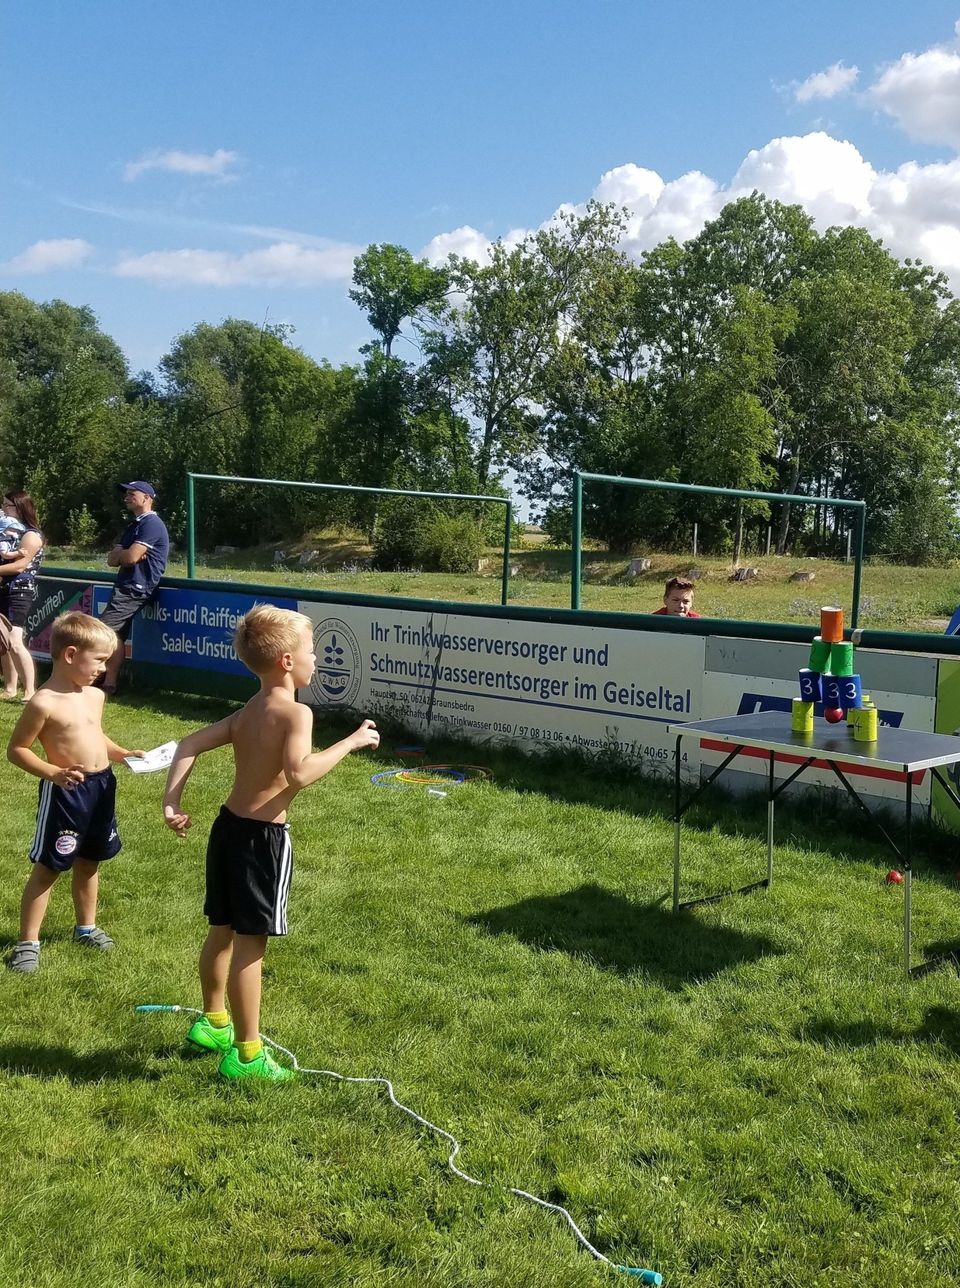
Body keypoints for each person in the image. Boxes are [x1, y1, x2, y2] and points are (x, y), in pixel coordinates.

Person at [162, 604, 380, 1082]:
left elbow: (187, 745)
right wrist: (350, 742)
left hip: (227, 831)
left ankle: (213, 1023)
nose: (316, 658)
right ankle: (247, 1056)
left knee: (221, 930)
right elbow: (300, 773)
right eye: (311, 650)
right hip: (262, 841)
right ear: (287, 661)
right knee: (250, 944)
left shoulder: (248, 711)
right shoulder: (297, 712)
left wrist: (171, 801)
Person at [6, 612, 143, 974]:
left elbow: (95, 734)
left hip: (102, 787)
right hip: (67, 793)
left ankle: (86, 928)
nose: (103, 668)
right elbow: (17, 750)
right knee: (49, 867)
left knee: (90, 860)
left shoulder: (94, 696)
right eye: (99, 660)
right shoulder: (44, 703)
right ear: (70, 654)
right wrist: (54, 773)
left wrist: (121, 753)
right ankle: (27, 943)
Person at [100, 480, 170, 695]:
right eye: (126, 494)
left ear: (147, 498)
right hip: (127, 584)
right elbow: (112, 559)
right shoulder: (136, 524)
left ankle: (87, 679)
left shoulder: (151, 524)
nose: (127, 497)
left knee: (101, 632)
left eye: (132, 494)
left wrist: (127, 554)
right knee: (115, 635)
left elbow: (130, 557)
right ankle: (109, 684)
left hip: (136, 587)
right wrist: (126, 555)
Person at [0, 490, 45, 702]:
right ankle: (10, 688)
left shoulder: (31, 535)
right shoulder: (7, 531)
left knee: (14, 640)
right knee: (3, 640)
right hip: (4, 588)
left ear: (19, 508)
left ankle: (30, 690)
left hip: (19, 590)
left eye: (7, 505)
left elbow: (19, 566)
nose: (3, 509)